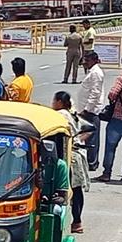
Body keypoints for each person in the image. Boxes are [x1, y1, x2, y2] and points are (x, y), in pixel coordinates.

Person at [51, 92, 90, 233]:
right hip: (77, 155)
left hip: (70, 156)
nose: (53, 103)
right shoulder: (72, 113)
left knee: (65, 189)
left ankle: (71, 221)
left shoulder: (60, 114)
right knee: (77, 190)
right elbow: (90, 128)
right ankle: (77, 221)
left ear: (60, 102)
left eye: (54, 101)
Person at [76, 51, 105, 171]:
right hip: (86, 111)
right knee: (86, 137)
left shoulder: (96, 73)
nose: (85, 63)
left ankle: (92, 162)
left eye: (87, 60)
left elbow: (95, 93)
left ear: (94, 60)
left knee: (91, 138)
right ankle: (89, 161)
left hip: (90, 112)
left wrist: (87, 109)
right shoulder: (92, 72)